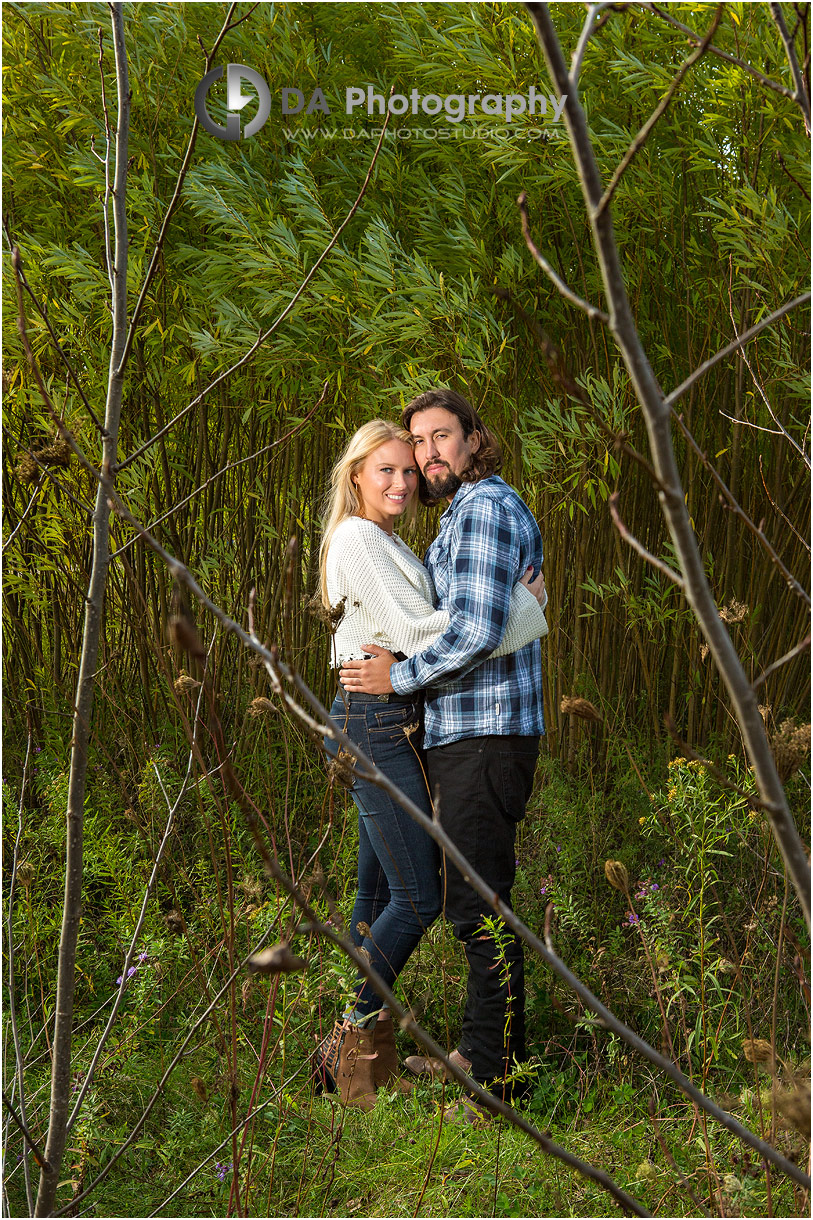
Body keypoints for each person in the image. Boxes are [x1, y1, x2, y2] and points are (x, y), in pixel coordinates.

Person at [314, 418, 547, 1111]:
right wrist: (520, 610)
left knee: (381, 895)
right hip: (376, 719)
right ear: (354, 476)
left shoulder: (391, 539)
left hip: (388, 718)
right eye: (384, 469)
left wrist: (482, 615)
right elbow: (433, 629)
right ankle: (345, 1047)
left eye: (408, 469)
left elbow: (434, 621)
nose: (402, 480)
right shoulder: (359, 538)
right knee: (417, 899)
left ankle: (362, 1068)